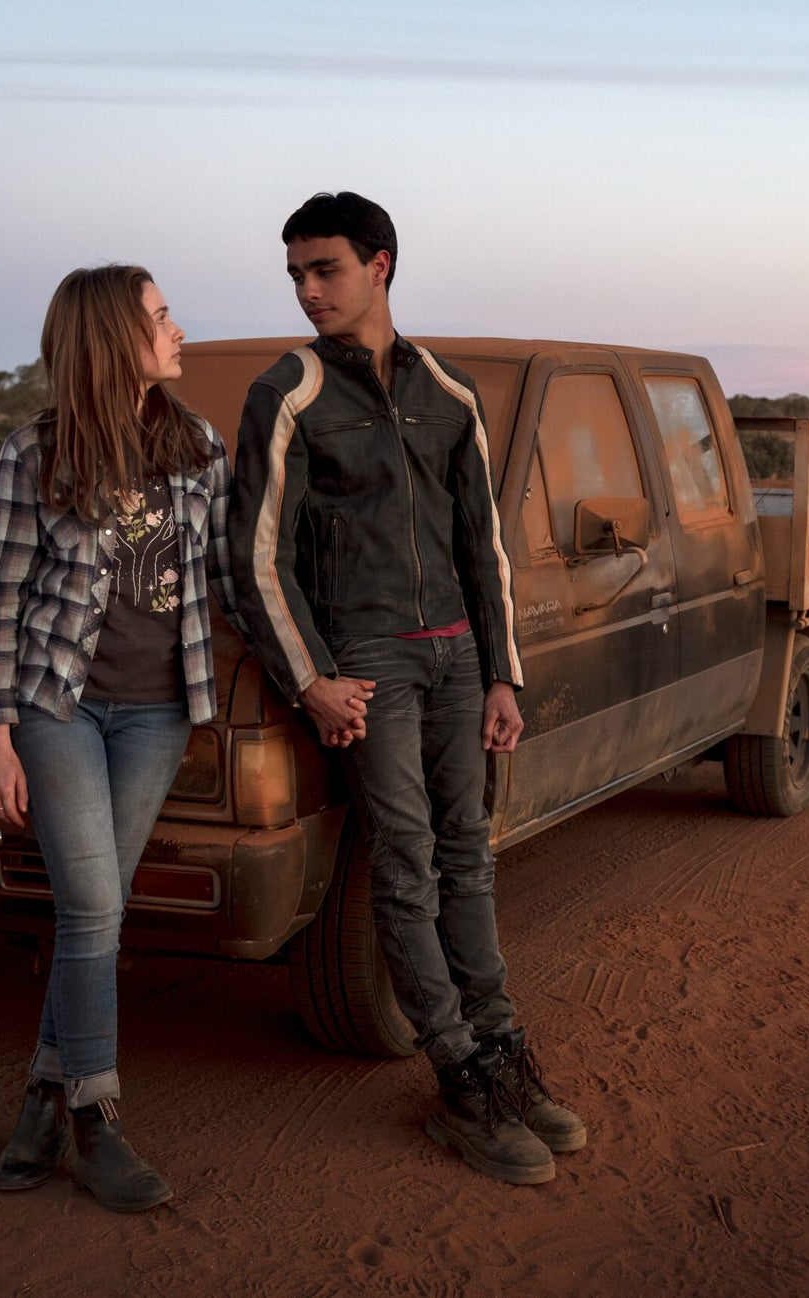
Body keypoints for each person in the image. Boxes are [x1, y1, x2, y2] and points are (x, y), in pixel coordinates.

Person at [228, 192, 585, 1185]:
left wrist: (502, 672)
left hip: (459, 653)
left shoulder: (448, 391)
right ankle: (461, 1083)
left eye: (323, 269)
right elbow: (253, 554)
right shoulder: (287, 392)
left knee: (468, 853)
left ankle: (505, 1054)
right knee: (405, 860)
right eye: (294, 273)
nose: (306, 290)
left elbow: (484, 545)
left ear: (379, 265)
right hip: (369, 660)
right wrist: (310, 678)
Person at [0, 264, 230, 1213]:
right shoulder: (34, 454)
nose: (177, 329)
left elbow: (234, 577)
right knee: (90, 906)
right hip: (60, 706)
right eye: (160, 317)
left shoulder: (198, 445)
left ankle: (42, 1098)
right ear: (114, 337)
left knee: (99, 911)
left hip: (160, 711)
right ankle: (99, 1121)